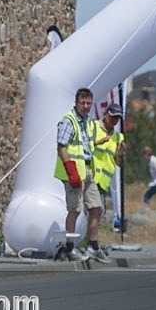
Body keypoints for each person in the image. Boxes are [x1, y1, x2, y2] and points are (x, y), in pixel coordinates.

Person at [54, 87, 101, 262]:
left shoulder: (87, 122)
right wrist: (70, 170)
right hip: (73, 172)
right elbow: (61, 147)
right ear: (76, 103)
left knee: (96, 207)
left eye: (89, 103)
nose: (86, 106)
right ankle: (70, 247)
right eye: (83, 103)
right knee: (74, 210)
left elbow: (86, 145)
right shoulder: (69, 120)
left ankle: (93, 245)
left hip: (87, 170)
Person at [92, 103, 125, 249]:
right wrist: (98, 142)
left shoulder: (118, 137)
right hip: (89, 176)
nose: (115, 120)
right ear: (105, 114)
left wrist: (121, 153)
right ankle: (90, 244)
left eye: (117, 118)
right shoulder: (93, 127)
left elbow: (119, 163)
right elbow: (84, 146)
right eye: (112, 117)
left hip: (103, 182)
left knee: (96, 213)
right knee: (94, 210)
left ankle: (91, 243)